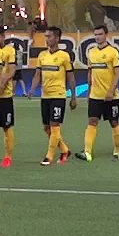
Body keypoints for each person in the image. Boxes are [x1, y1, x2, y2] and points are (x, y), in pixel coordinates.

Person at [27, 26, 76, 166]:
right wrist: (32, 88)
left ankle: (49, 156)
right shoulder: (42, 55)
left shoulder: (64, 56)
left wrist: (73, 97)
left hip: (58, 95)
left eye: (49, 36)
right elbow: (38, 75)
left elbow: (71, 77)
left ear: (57, 38)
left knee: (55, 125)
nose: (46, 39)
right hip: (45, 96)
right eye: (46, 36)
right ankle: (65, 149)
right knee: (46, 127)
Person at [78, 24, 119, 162]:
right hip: (95, 95)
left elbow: (118, 73)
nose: (97, 37)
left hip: (111, 96)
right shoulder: (91, 52)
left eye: (100, 34)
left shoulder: (113, 52)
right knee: (92, 121)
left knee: (114, 122)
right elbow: (90, 72)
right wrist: (88, 91)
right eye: (96, 35)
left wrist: (110, 91)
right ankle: (87, 152)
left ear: (106, 35)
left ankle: (117, 150)